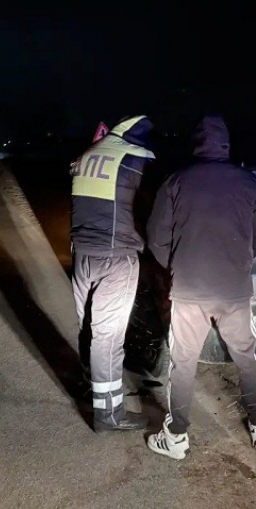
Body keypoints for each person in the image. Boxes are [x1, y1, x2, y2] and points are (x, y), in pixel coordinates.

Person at [145, 114, 256, 459]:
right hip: (234, 290)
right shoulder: (248, 182)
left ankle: (176, 438)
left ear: (196, 144)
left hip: (189, 290)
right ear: (226, 143)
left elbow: (156, 237)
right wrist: (238, 262)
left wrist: (176, 266)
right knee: (246, 357)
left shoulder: (176, 181)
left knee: (183, 361)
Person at [70, 114, 155, 431]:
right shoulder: (133, 159)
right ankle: (109, 414)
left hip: (83, 254)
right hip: (117, 257)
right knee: (108, 336)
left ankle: (90, 387)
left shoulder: (86, 155)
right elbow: (148, 208)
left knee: (87, 327)